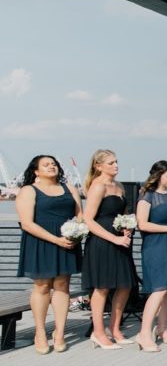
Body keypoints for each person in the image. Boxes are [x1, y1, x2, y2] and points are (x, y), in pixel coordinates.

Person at [15, 155, 82, 354]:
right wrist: (55, 239)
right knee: (42, 285)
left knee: (62, 284)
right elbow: (27, 223)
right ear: (36, 171)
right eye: (46, 164)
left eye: (53, 164)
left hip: (67, 241)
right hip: (40, 241)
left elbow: (80, 215)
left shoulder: (69, 187)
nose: (51, 166)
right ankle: (41, 332)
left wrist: (76, 234)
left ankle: (59, 332)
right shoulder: (28, 190)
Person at [81, 149, 137, 349]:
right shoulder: (98, 186)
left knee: (124, 285)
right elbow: (88, 219)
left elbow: (123, 213)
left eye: (116, 162)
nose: (116, 165)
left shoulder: (119, 185)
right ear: (98, 166)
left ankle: (115, 329)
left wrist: (127, 227)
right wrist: (113, 238)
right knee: (102, 287)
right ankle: (98, 332)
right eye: (111, 163)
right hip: (102, 241)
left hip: (120, 240)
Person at [135, 160, 167, 352]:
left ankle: (162, 328)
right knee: (159, 288)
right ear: (158, 176)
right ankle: (144, 333)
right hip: (156, 245)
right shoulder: (147, 195)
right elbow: (142, 224)